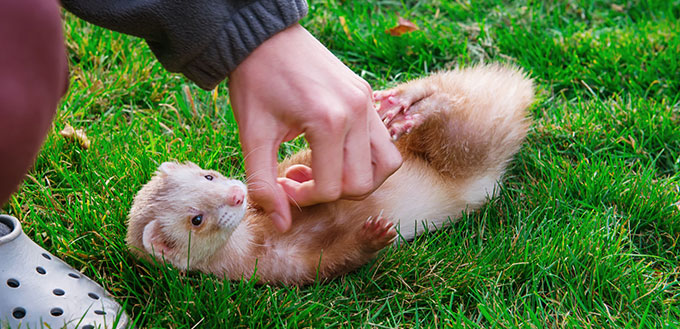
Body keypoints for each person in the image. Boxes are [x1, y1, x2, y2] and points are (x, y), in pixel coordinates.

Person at [1, 0, 401, 326]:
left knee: (27, 47)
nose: (230, 193)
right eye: (196, 221)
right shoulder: (242, 265)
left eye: (209, 176)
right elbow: (311, 266)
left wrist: (244, 24)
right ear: (168, 249)